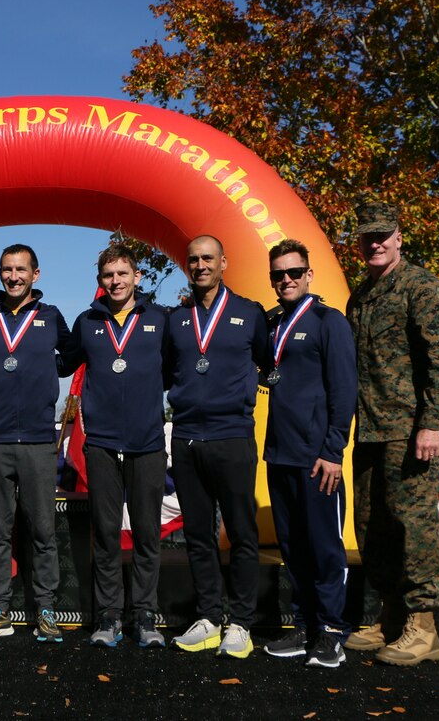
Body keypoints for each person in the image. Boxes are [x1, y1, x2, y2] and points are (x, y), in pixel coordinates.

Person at [344, 199, 439, 666]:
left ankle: (424, 626)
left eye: (383, 235)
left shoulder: (422, 288)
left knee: (413, 527)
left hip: (410, 430)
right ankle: (392, 617)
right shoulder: (362, 296)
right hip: (370, 431)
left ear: (399, 237)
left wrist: (433, 422)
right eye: (367, 236)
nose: (375, 243)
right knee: (372, 525)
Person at [164, 235, 269, 659]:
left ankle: (241, 623)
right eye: (194, 260)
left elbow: (269, 364)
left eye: (208, 258)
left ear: (224, 261)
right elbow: (167, 372)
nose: (201, 265)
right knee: (198, 534)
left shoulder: (249, 313)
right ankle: (208, 616)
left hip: (233, 437)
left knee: (242, 533)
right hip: (187, 437)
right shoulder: (176, 318)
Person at [60, 244, 168, 649]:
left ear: (137, 277)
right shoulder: (87, 322)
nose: (116, 282)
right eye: (109, 276)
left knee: (145, 533)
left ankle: (143, 615)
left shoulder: (160, 318)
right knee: (105, 532)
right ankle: (108, 615)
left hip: (147, 442)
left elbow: (171, 369)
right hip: (101, 442)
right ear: (100, 281)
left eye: (123, 274)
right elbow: (62, 362)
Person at [260, 239, 357, 668]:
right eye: (278, 274)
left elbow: (344, 389)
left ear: (309, 275)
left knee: (324, 548)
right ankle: (304, 627)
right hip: (280, 454)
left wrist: (334, 449)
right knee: (293, 547)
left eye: (293, 272)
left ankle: (333, 631)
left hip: (318, 458)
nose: (286, 280)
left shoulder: (328, 321)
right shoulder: (271, 323)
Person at [0, 244, 71, 643]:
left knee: (43, 530)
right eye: (6, 270)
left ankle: (45, 608)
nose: (13, 277)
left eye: (21, 270)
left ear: (36, 274)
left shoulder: (51, 317)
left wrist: (45, 374)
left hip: (37, 439)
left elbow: (73, 355)